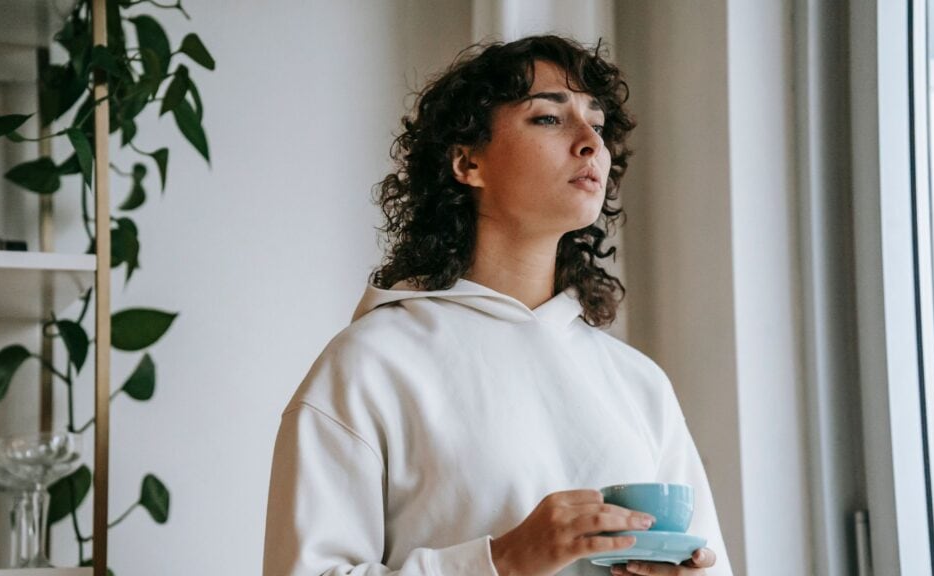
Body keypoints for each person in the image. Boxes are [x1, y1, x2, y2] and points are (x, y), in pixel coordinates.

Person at [264, 35, 733, 576]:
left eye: (597, 126)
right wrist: (503, 561)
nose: (590, 144)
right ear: (468, 162)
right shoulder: (370, 364)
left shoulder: (639, 383)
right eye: (549, 119)